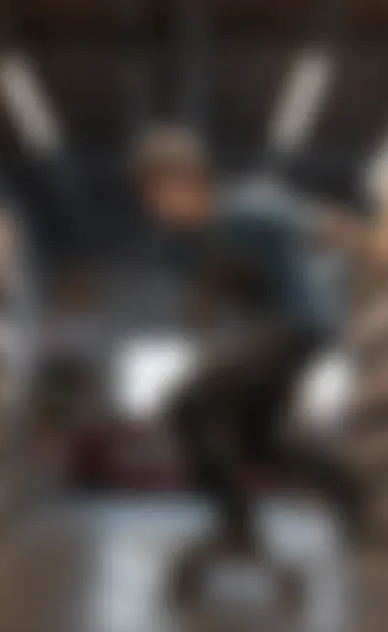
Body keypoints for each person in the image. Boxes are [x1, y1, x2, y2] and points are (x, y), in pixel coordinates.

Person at [130, 125, 366, 604]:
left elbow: (336, 226)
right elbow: (205, 297)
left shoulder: (254, 206)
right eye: (151, 196)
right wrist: (204, 347)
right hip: (263, 333)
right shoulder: (177, 242)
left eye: (170, 189)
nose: (162, 205)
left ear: (199, 181)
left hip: (302, 321)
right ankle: (344, 485)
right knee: (256, 438)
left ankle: (236, 525)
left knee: (187, 402)